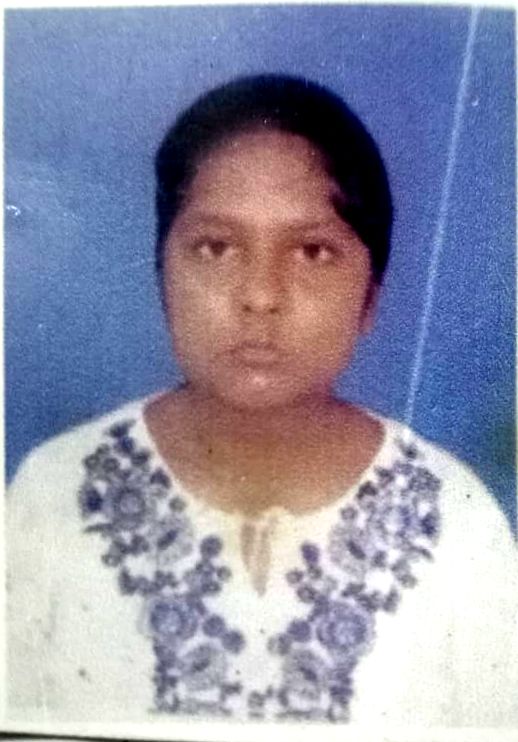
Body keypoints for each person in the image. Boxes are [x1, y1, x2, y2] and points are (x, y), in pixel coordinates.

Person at [6, 74, 518, 727]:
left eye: (312, 251)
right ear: (162, 271)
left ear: (371, 294)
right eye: (216, 247)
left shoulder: (454, 523)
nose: (260, 296)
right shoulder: (57, 492)